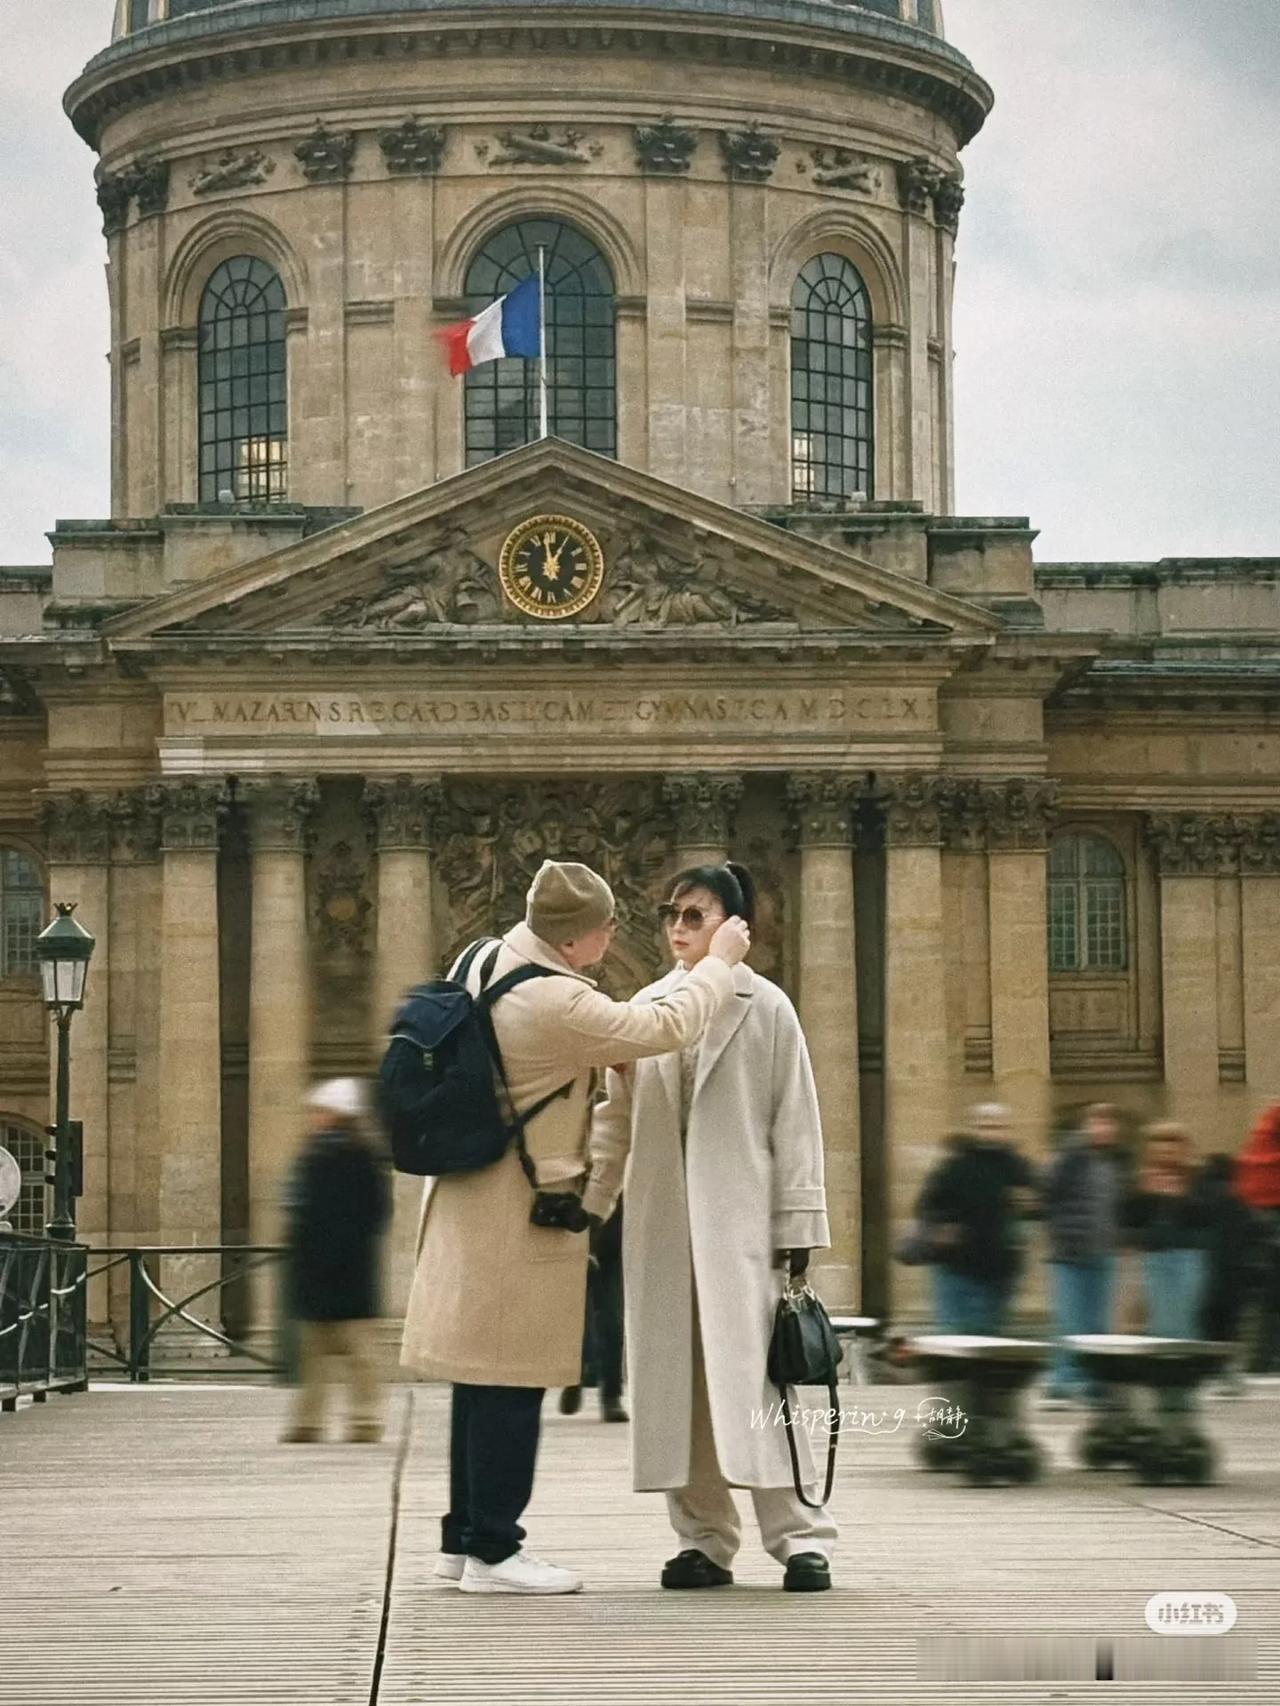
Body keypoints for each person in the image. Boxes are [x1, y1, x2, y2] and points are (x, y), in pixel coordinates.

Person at [400, 859, 750, 1596]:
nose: (613, 939)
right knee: (514, 1382)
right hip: (518, 1213)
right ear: (582, 938)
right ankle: (497, 1550)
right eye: (608, 929)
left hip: (469, 1196)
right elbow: (671, 1025)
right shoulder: (556, 1001)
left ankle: (461, 1542)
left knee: (478, 1377)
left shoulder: (485, 958)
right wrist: (718, 966)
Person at [587, 862, 836, 1595]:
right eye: (671, 914)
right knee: (679, 1388)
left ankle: (800, 1539)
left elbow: (797, 1122)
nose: (676, 927)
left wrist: (798, 1230)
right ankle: (703, 1542)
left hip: (743, 1232)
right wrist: (591, 1206)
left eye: (694, 915)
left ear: (734, 925)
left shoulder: (769, 1009)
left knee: (762, 1388)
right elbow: (615, 1121)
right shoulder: (650, 1008)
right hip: (664, 1227)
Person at [280, 1078, 391, 1445]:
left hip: (334, 1268)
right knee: (341, 1354)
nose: (314, 1118)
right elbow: (377, 1213)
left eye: (321, 1112)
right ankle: (350, 1420)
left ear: (338, 1116)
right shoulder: (355, 1157)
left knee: (339, 1353)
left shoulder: (329, 1157)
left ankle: (334, 1421)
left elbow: (368, 1213)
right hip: (344, 1269)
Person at [915, 1104, 1037, 1336]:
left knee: (989, 1338)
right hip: (956, 1267)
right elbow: (928, 1203)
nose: (990, 1132)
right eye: (984, 1126)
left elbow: (1037, 1207)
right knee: (954, 1336)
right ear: (974, 1129)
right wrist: (944, 1227)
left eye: (996, 1126)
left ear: (1006, 1130)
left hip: (999, 1270)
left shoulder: (1017, 1167)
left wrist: (1028, 1206)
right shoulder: (956, 1166)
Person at [1042, 1103, 1128, 1404]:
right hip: (1071, 1253)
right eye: (1099, 1123)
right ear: (1087, 1126)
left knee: (1097, 1324)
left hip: (1102, 1252)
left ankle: (1092, 1382)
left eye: (1110, 1123)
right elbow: (1048, 1196)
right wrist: (1062, 1233)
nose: (1105, 1129)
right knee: (1070, 1321)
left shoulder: (1113, 1162)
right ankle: (1064, 1381)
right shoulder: (1069, 1159)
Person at [1122, 1123, 1209, 1339]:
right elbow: (1129, 1219)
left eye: (1172, 1146)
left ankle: (1185, 1364)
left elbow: (1209, 1217)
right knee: (1161, 1320)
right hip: (1155, 1255)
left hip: (1190, 1254)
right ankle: (1165, 1366)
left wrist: (1182, 1197)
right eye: (1160, 1146)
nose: (1166, 1153)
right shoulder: (1142, 1178)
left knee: (1187, 1316)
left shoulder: (1197, 1177)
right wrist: (1147, 1195)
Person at [559, 1198, 627, 1423]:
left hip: (607, 1225)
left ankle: (608, 1394)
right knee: (578, 1311)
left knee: (609, 1317)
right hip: (579, 1218)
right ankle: (578, 1376)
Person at [1198, 1152, 1259, 1391]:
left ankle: (1210, 1370)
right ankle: (1229, 1372)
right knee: (1230, 1327)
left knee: (1209, 1325)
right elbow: (1254, 1233)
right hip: (1234, 1273)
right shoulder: (1239, 1201)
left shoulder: (1201, 1195)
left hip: (1208, 1271)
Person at [1235, 1102, 1280, 1373]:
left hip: (1261, 1226)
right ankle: (1258, 1359)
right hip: (1268, 1224)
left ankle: (1256, 1359)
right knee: (1266, 1299)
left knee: (1263, 1301)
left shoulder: (1260, 1142)